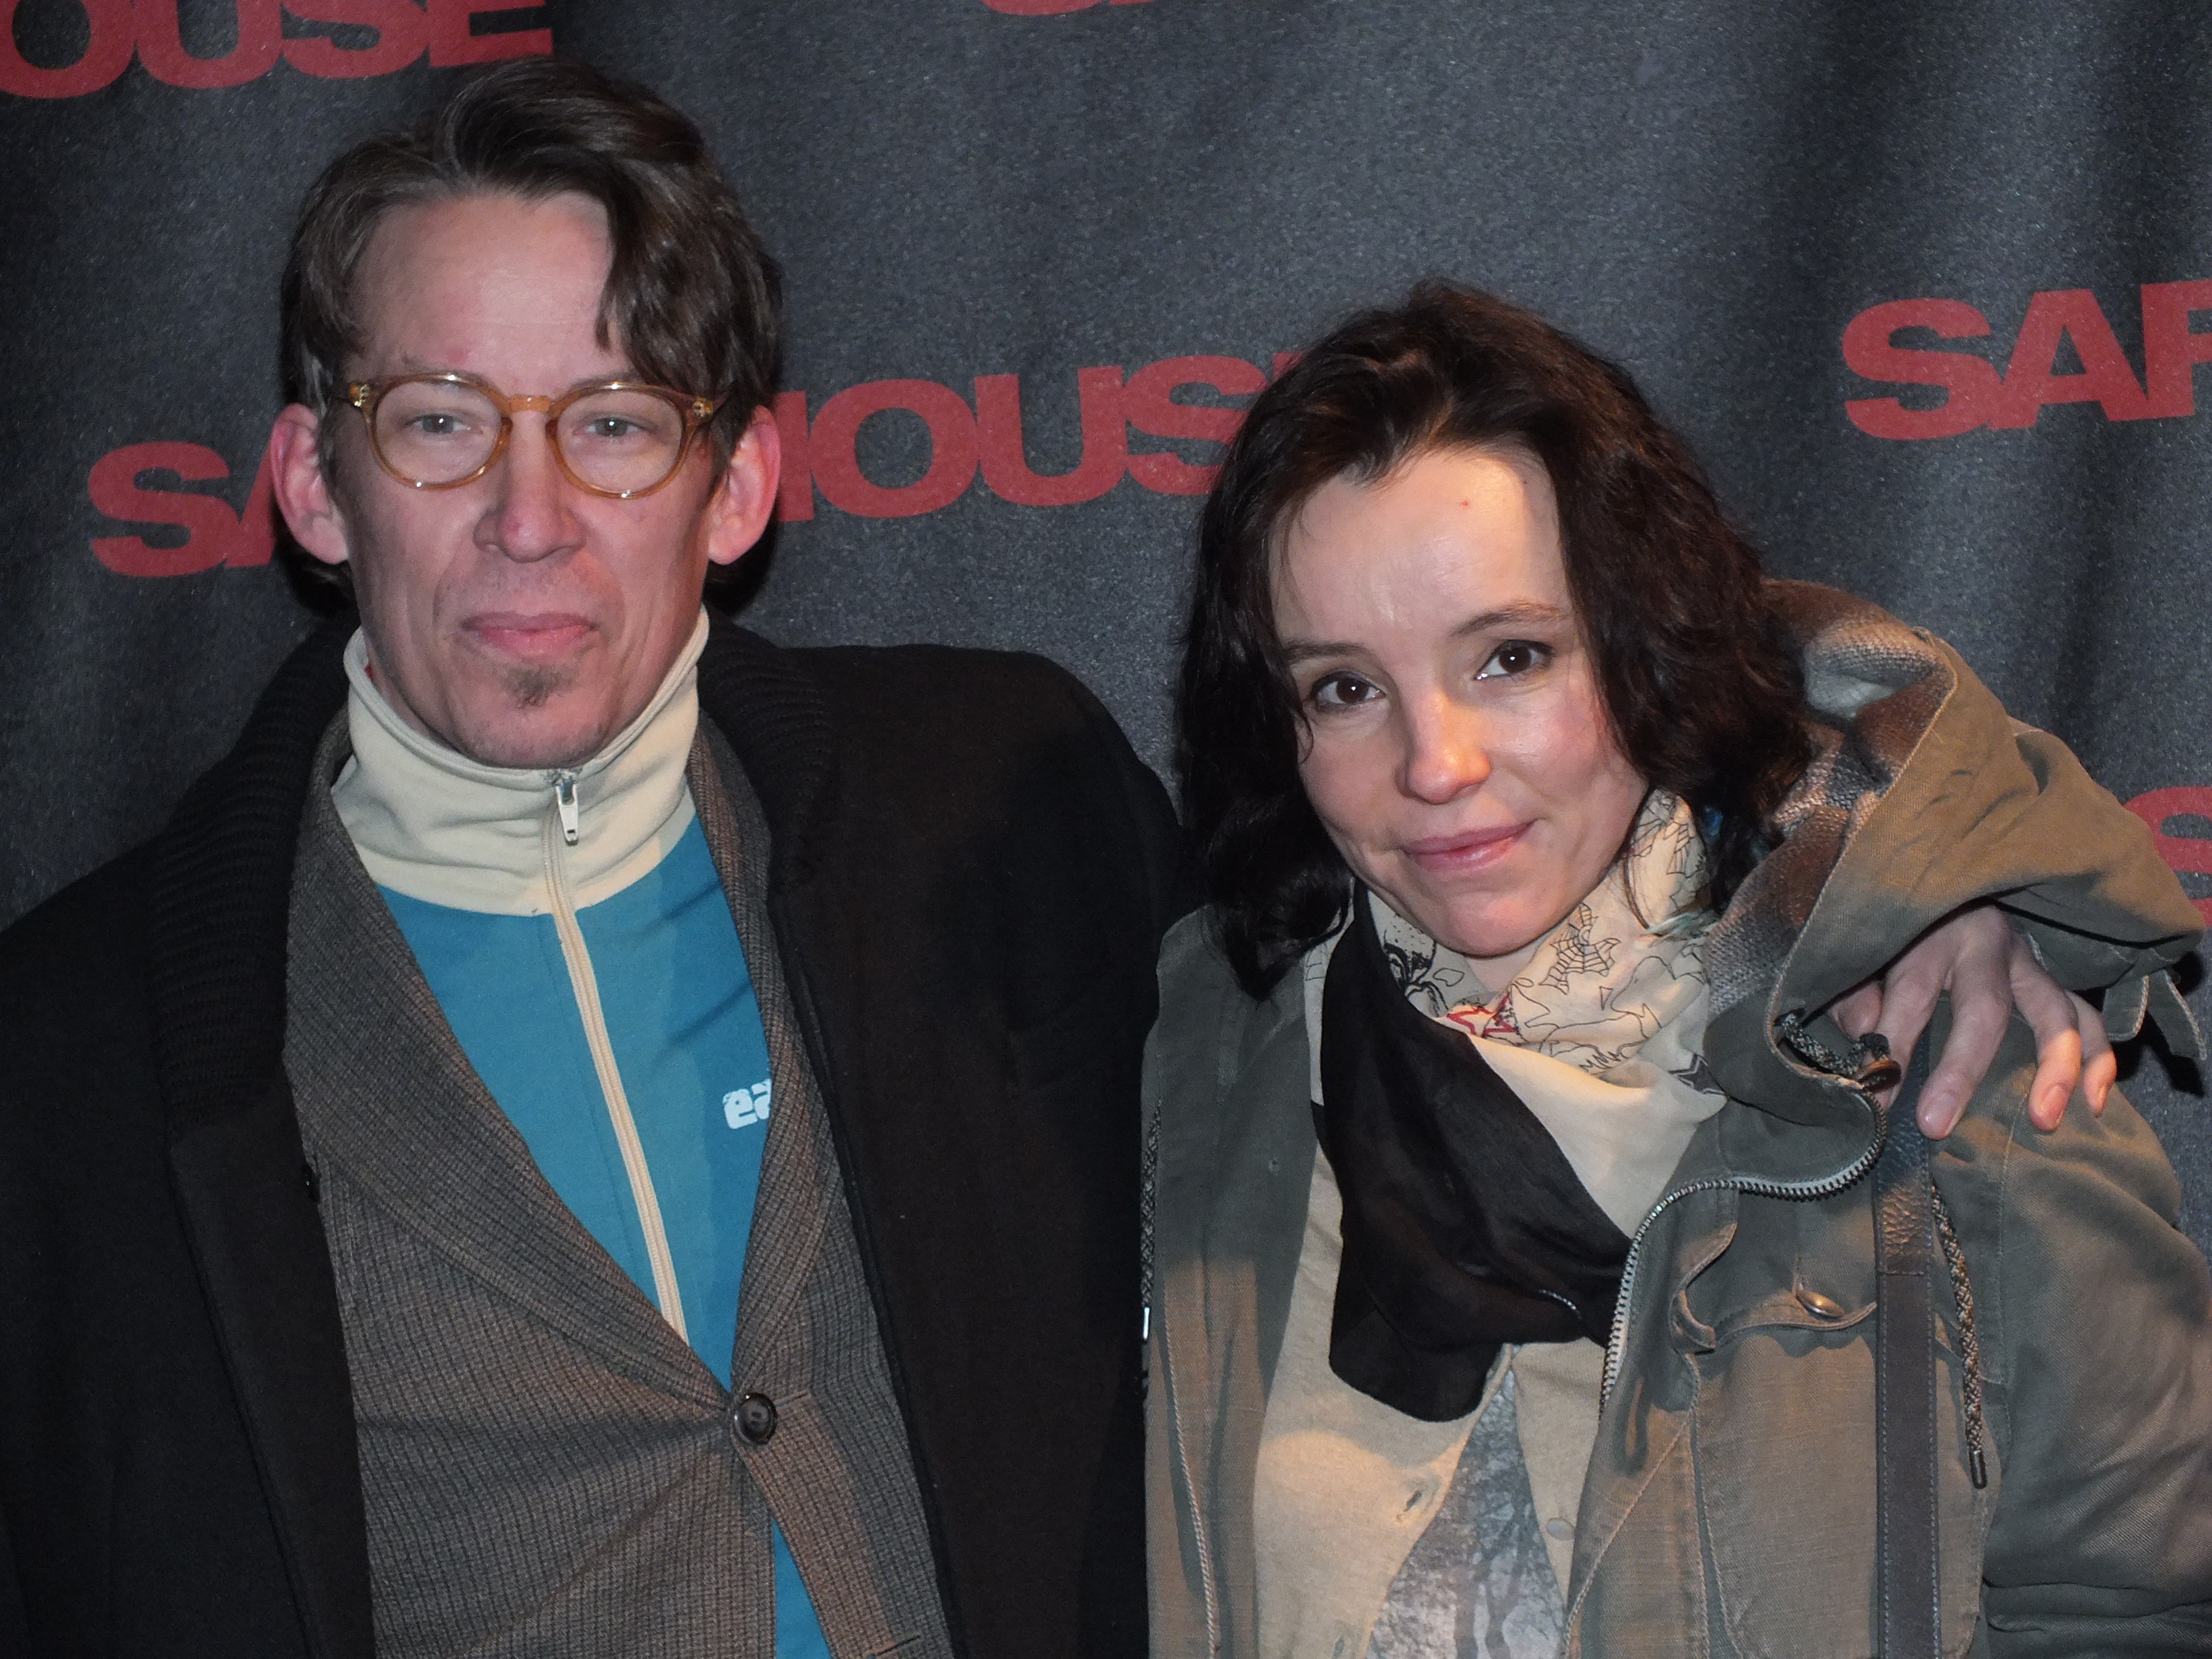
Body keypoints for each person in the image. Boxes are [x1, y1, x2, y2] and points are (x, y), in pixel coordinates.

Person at [0, 62, 2139, 1659]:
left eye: (619, 419)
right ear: (313, 480)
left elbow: (1570, 738)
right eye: (442, 421)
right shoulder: (79, 1058)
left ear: (738, 487)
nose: (533, 516)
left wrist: (1916, 864)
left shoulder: (994, 807)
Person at [1145, 283, 2212, 1658]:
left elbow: (2141, 1606)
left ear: (1640, 641)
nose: (1435, 765)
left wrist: (1932, 878)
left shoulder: (1942, 1052)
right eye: (1345, 687)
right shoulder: (1204, 1066)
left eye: (1511, 657)